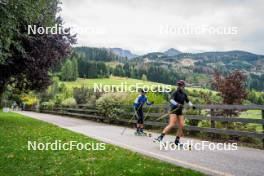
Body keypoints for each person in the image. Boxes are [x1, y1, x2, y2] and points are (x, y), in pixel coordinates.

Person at [154, 80, 195, 145]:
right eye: (178, 85)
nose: (179, 86)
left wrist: (192, 106)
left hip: (180, 111)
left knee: (182, 125)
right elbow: (171, 99)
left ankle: (177, 141)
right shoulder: (175, 92)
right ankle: (160, 137)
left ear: (183, 86)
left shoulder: (184, 94)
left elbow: (188, 101)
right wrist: (177, 104)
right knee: (172, 124)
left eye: (181, 85)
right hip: (174, 110)